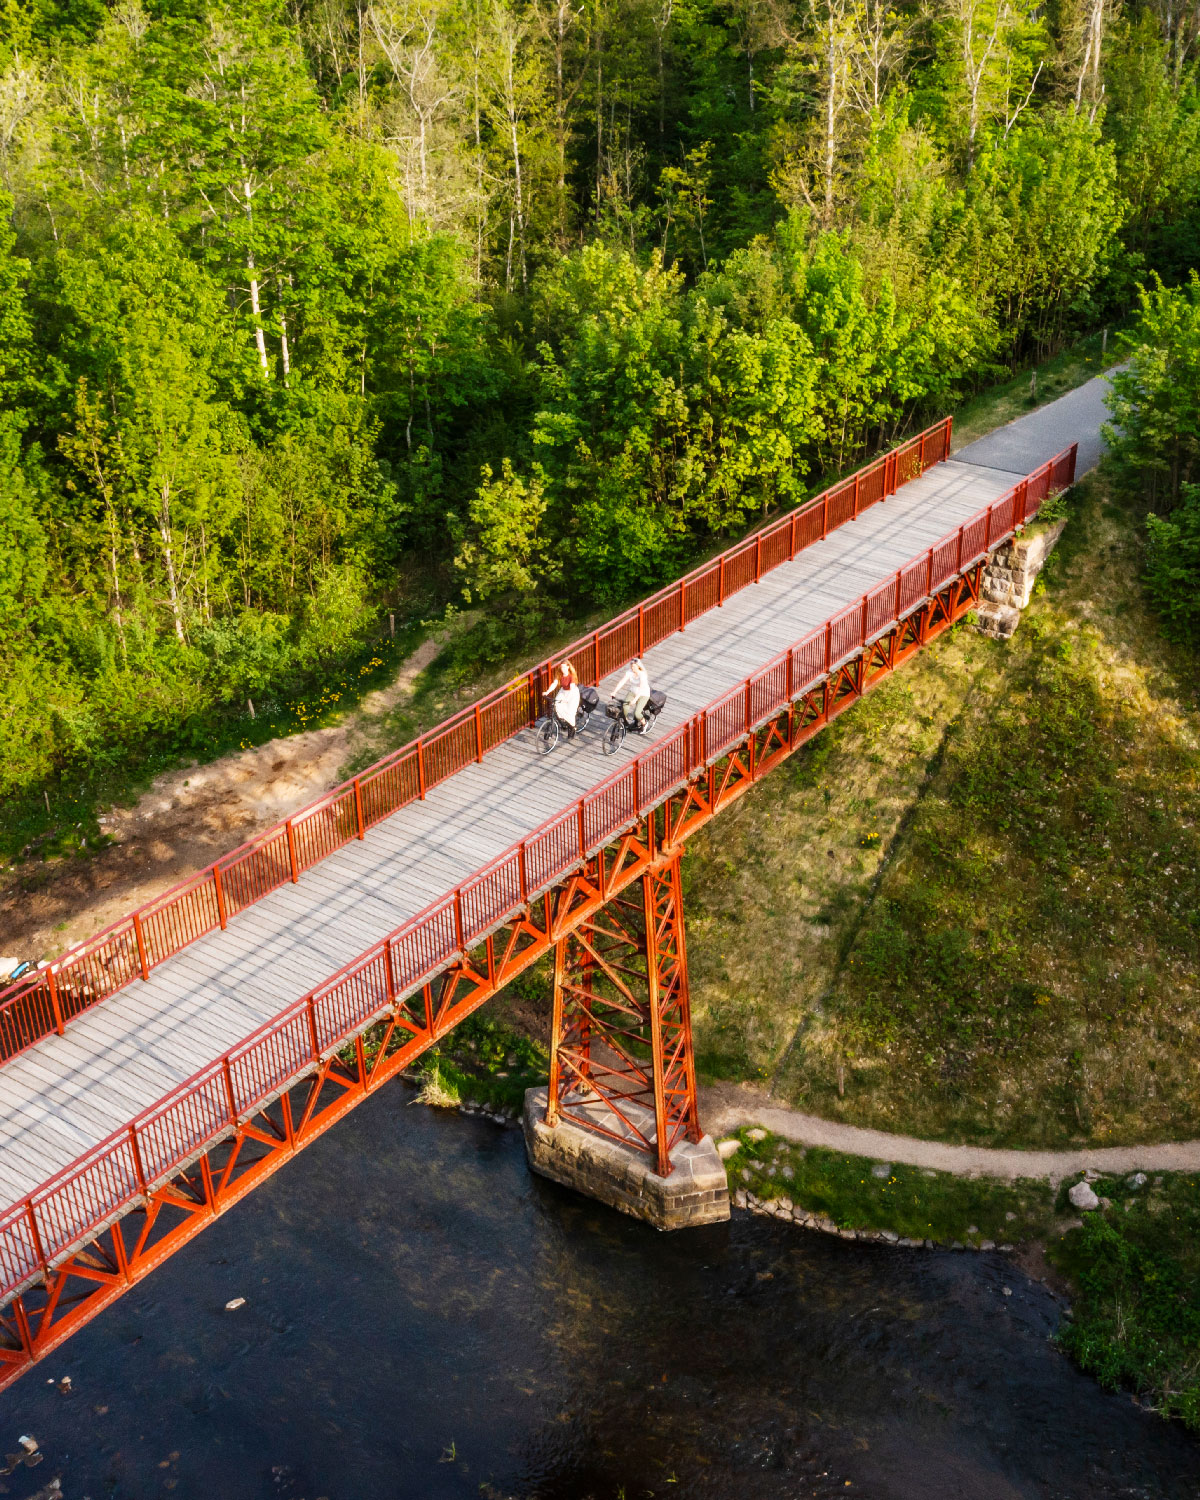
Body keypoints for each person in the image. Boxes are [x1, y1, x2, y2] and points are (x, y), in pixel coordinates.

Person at [544, 659, 581, 740]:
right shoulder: (560, 674)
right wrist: (547, 691)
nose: (562, 669)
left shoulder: (571, 676)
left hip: (572, 693)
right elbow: (554, 683)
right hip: (563, 691)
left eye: (564, 667)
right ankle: (563, 721)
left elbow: (571, 689)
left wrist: (567, 699)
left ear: (568, 667)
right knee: (556, 705)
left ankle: (572, 728)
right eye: (561, 667)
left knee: (570, 711)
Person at [612, 656, 650, 730]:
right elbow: (622, 681)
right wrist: (614, 691)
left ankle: (644, 723)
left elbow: (641, 688)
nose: (633, 668)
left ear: (638, 667)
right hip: (632, 691)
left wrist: (635, 699)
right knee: (624, 707)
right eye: (631, 666)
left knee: (637, 713)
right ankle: (625, 722)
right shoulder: (629, 672)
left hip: (643, 694)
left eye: (634, 667)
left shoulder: (642, 675)